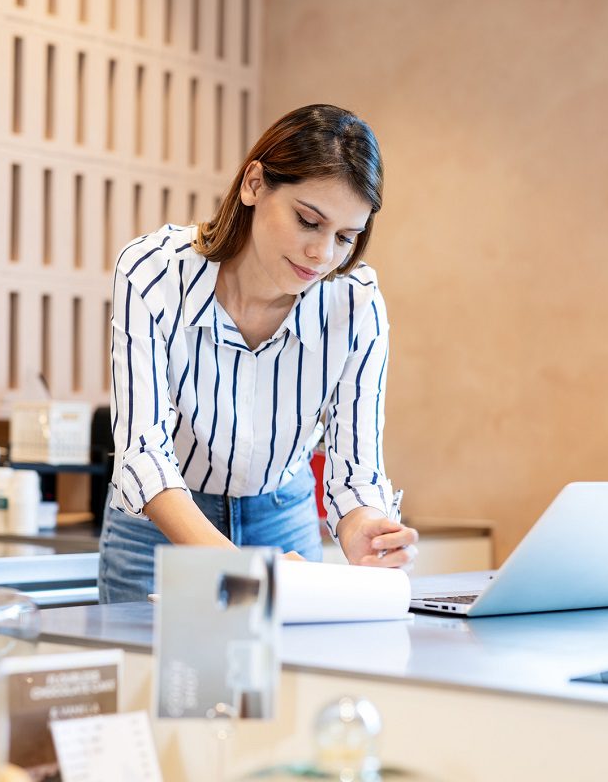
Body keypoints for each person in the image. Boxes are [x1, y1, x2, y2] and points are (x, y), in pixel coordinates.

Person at [100, 103, 417, 603]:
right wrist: (245, 569)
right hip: (162, 529)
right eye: (308, 221)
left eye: (344, 237)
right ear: (253, 184)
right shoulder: (153, 274)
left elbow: (356, 470)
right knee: (158, 678)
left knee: (286, 682)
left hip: (282, 521)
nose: (322, 255)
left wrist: (362, 527)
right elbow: (142, 452)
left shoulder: (354, 304)